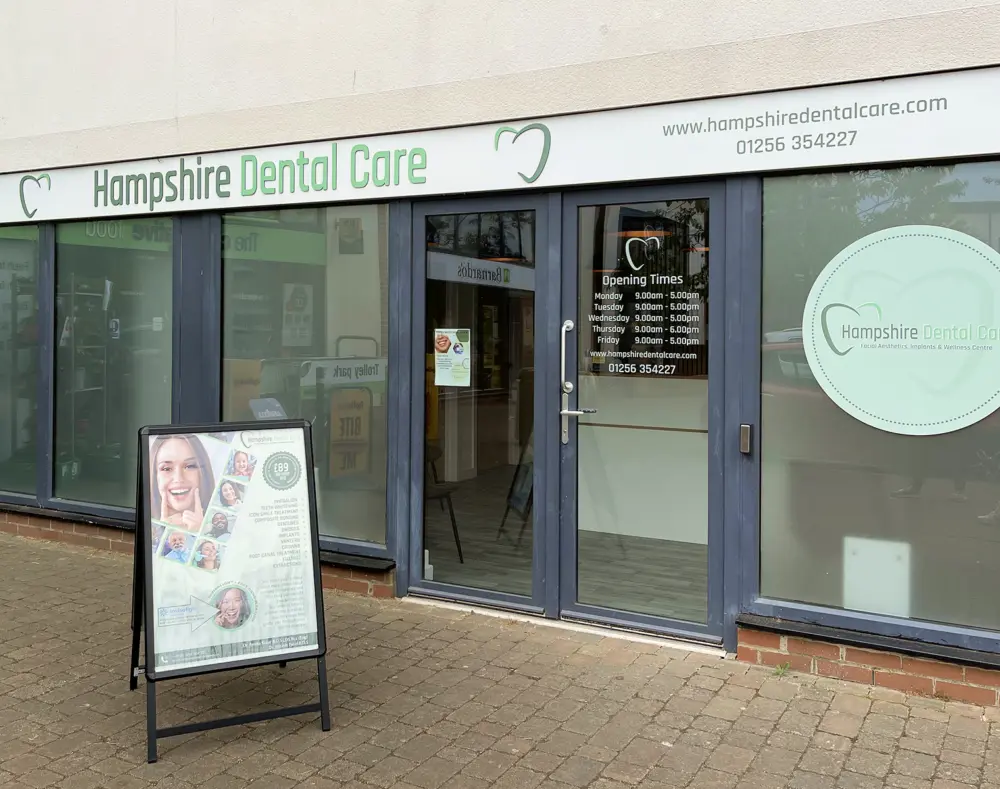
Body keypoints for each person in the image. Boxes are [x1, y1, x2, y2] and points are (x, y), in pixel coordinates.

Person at [150, 435, 215, 531]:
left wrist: (199, 534)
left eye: (189, 466)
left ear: (203, 473)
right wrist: (163, 535)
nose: (178, 478)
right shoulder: (145, 527)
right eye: (167, 468)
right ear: (154, 477)